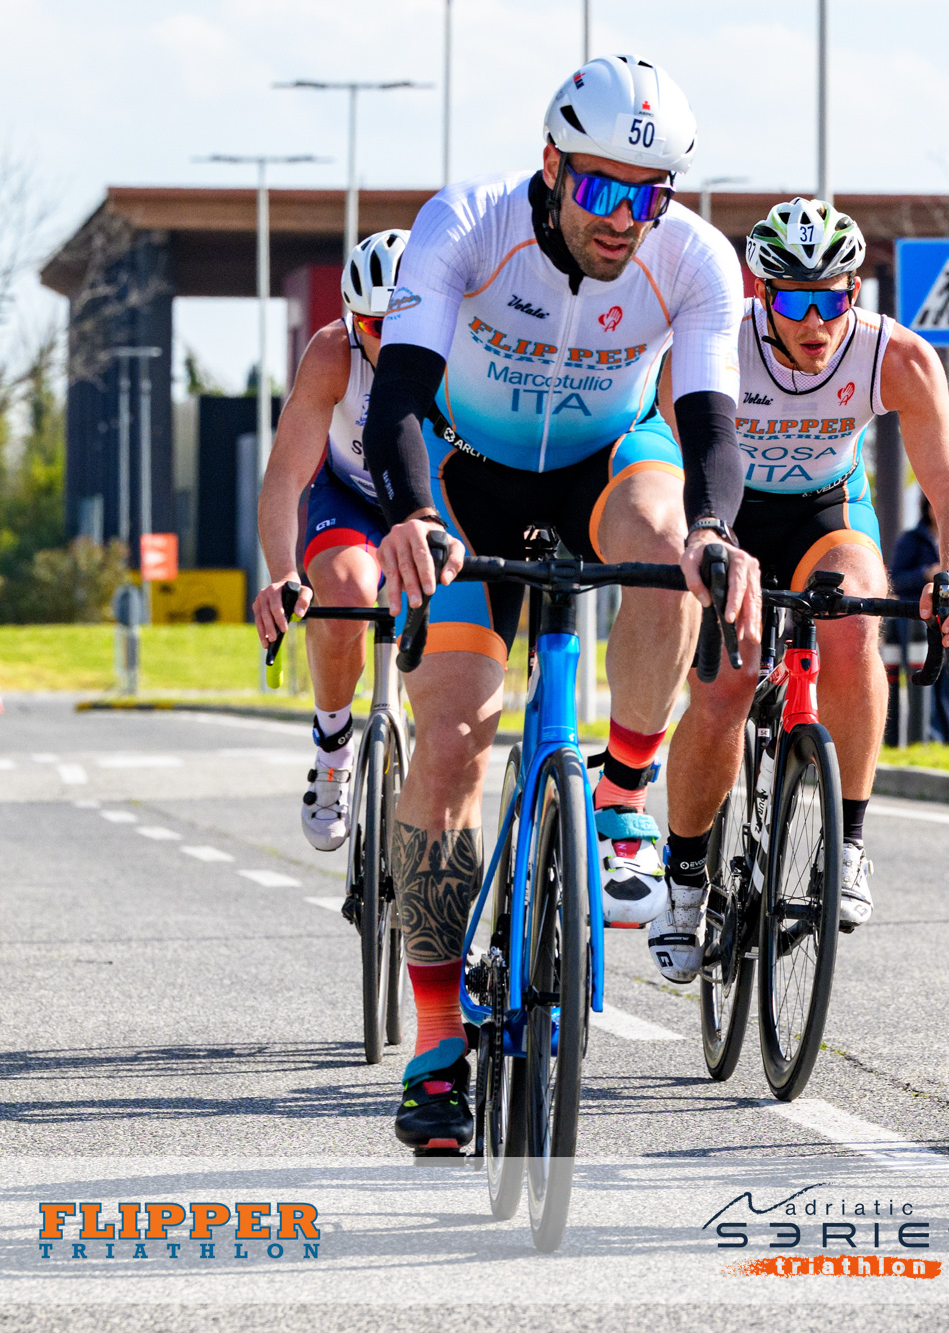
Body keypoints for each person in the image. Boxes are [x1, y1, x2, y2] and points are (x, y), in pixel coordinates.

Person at [360, 55, 764, 1152]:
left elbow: (711, 422)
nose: (624, 218)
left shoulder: (695, 259)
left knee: (676, 549)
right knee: (452, 737)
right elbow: (398, 396)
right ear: (550, 165)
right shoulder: (466, 224)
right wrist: (408, 513)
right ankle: (436, 1040)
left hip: (607, 464)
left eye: (649, 195)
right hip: (467, 478)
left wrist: (717, 533)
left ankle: (624, 787)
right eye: (600, 188)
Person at [661, 198, 949, 951]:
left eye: (831, 301)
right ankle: (684, 874)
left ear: (854, 293)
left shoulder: (894, 356)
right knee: (725, 686)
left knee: (856, 620)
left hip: (825, 512)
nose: (815, 322)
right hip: (730, 513)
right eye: (794, 302)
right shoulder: (717, 343)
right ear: (762, 293)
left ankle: (848, 843)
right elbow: (669, 456)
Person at [251, 229, 409, 857]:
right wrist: (282, 573)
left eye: (402, 323)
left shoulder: (464, 349)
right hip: (352, 498)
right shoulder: (332, 353)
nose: (389, 340)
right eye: (373, 325)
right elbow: (284, 476)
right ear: (352, 319)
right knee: (344, 591)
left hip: (437, 505)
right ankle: (333, 748)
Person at [889, 498, 949, 744]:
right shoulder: (911, 539)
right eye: (934, 504)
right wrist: (925, 574)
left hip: (946, 618)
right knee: (922, 679)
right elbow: (895, 580)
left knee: (947, 681)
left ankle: (947, 740)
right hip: (916, 622)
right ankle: (924, 737)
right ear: (926, 508)